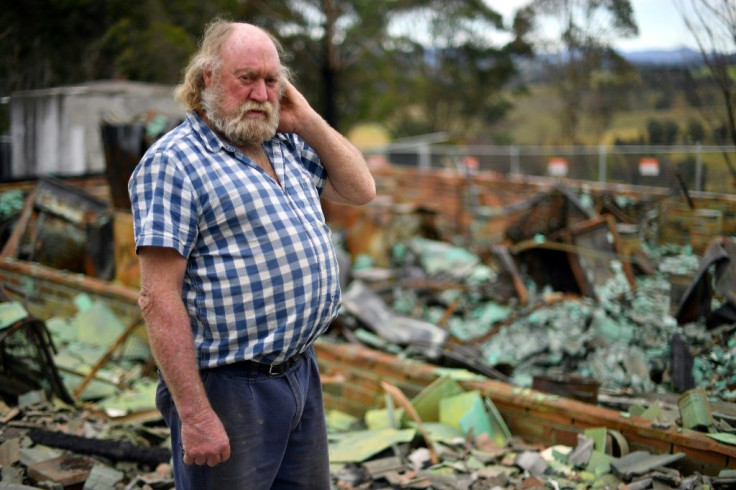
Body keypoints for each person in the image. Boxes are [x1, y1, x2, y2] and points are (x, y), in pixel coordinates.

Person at [128, 18, 375, 490]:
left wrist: (303, 118)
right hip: (229, 389)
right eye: (247, 79)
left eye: (271, 81)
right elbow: (158, 298)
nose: (261, 94)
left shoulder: (283, 142)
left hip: (300, 371)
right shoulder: (173, 163)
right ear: (208, 79)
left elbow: (361, 189)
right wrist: (196, 414)